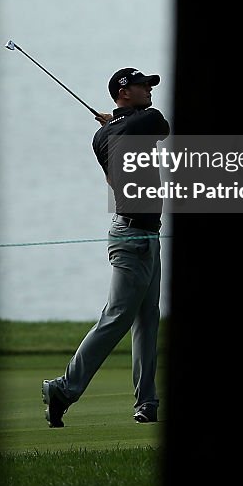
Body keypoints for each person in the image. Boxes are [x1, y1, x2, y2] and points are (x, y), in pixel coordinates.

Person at [41, 66, 170, 428]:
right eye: (143, 86)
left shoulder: (104, 135)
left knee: (147, 319)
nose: (149, 90)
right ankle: (63, 389)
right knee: (117, 318)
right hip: (134, 239)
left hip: (143, 234)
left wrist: (112, 121)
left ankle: (146, 403)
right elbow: (161, 124)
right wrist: (118, 118)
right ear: (124, 91)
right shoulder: (142, 123)